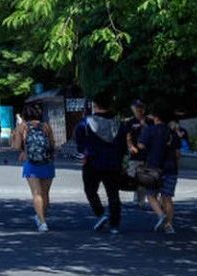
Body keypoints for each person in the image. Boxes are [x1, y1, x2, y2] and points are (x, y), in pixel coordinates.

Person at [75, 96, 126, 234]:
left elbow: (79, 141)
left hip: (92, 162)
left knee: (90, 190)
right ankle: (114, 225)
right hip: (113, 163)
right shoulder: (119, 124)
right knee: (113, 194)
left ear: (95, 105)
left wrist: (84, 153)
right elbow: (123, 146)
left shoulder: (86, 123)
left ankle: (100, 213)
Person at [11, 104, 56, 232]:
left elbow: (16, 146)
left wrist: (15, 138)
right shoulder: (46, 126)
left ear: (25, 115)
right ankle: (42, 217)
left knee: (36, 193)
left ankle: (42, 222)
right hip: (47, 163)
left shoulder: (22, 127)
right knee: (45, 193)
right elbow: (52, 144)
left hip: (31, 163)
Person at [137, 107, 179, 234]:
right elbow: (177, 153)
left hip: (153, 168)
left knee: (150, 195)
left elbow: (141, 145)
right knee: (167, 198)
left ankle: (161, 215)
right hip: (171, 168)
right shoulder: (172, 133)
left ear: (156, 117)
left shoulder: (149, 130)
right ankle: (169, 226)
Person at [127, 100, 149, 209]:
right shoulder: (130, 122)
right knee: (132, 177)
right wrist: (130, 146)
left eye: (140, 109)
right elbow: (128, 136)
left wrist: (144, 124)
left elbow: (152, 134)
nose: (137, 111)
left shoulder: (149, 121)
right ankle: (137, 199)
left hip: (147, 155)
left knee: (143, 179)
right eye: (135, 109)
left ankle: (140, 201)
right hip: (134, 155)